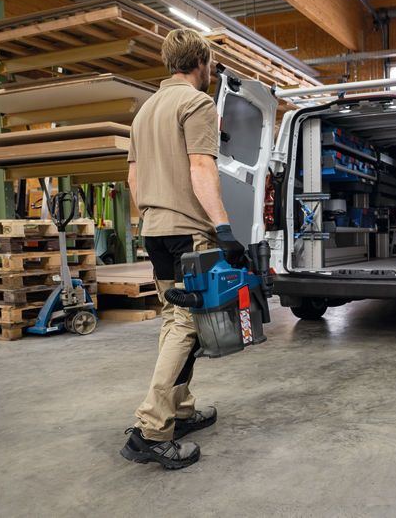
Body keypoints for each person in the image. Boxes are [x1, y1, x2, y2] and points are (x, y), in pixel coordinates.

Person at [120, 28, 247, 470]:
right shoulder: (197, 102)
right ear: (202, 63)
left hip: (154, 230)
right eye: (211, 66)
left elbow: (133, 181)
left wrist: (153, 217)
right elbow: (200, 167)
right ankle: (152, 429)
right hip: (188, 232)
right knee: (187, 325)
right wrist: (224, 229)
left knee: (174, 321)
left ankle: (180, 409)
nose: (211, 73)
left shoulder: (145, 112)